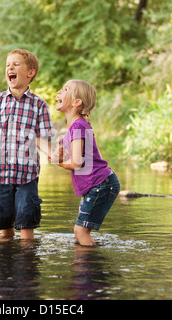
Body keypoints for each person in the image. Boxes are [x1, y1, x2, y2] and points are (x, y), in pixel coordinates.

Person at [0, 49, 54, 240]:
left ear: (31, 73)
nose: (10, 68)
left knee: (27, 223)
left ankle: (26, 260)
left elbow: (41, 138)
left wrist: (53, 153)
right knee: (4, 224)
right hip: (0, 174)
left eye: (16, 64)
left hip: (27, 176)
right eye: (8, 65)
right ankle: (6, 262)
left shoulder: (39, 105)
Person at [51, 80, 120, 246]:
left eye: (65, 89)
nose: (59, 92)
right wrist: (59, 156)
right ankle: (85, 263)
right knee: (80, 232)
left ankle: (90, 268)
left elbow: (76, 163)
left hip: (100, 184)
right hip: (100, 183)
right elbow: (81, 157)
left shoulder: (77, 127)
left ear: (76, 102)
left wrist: (60, 163)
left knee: (80, 230)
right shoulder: (76, 126)